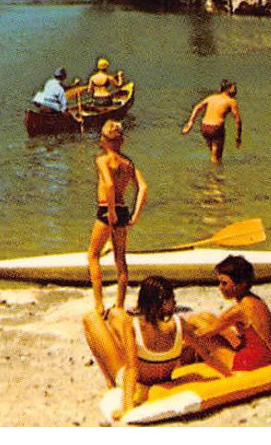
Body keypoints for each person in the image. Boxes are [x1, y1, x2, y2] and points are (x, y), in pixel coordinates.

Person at [83, 277, 194, 417]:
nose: (176, 302)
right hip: (162, 375)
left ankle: (110, 384)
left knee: (90, 319)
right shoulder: (180, 324)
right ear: (164, 303)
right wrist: (226, 374)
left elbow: (131, 369)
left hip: (138, 384)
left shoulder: (134, 327)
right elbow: (205, 350)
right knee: (116, 313)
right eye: (173, 298)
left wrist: (127, 408)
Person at [87, 120, 146, 314]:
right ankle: (119, 306)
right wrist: (135, 217)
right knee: (120, 260)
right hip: (123, 210)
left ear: (104, 140)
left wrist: (110, 211)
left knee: (93, 255)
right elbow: (143, 188)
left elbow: (109, 185)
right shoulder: (128, 163)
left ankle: (99, 304)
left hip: (107, 209)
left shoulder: (102, 160)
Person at [184, 255, 271, 374]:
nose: (220, 288)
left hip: (250, 362)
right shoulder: (253, 300)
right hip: (262, 355)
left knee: (196, 323)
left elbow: (202, 334)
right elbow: (219, 323)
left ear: (241, 284)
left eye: (224, 283)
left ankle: (178, 363)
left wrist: (174, 345)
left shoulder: (239, 310)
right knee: (206, 317)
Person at [181, 81, 242, 162]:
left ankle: (212, 171)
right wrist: (238, 137)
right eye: (234, 89)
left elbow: (197, 107)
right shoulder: (231, 101)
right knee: (217, 157)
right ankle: (215, 173)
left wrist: (190, 123)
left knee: (213, 153)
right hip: (216, 128)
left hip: (205, 127)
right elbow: (238, 120)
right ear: (227, 89)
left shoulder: (212, 97)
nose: (236, 91)